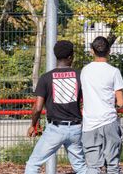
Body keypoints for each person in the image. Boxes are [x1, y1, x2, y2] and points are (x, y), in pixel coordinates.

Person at [24, 40, 86, 174]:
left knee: (33, 165)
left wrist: (33, 125)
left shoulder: (46, 78)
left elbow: (38, 107)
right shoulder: (80, 76)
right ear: (71, 57)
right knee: (81, 167)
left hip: (55, 130)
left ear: (55, 56)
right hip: (76, 128)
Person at [81, 36, 123, 174]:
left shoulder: (85, 71)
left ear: (92, 51)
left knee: (93, 166)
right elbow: (120, 102)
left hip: (90, 124)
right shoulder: (114, 71)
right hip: (109, 121)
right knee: (112, 164)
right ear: (109, 51)